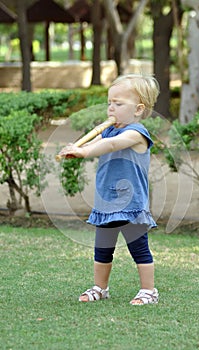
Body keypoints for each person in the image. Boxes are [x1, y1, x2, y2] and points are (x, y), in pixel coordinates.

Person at [58, 74, 160, 305]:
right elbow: (100, 144)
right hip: (107, 203)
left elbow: (112, 145)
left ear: (138, 109)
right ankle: (100, 287)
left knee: (139, 250)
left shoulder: (136, 133)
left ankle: (149, 291)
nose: (111, 108)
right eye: (110, 103)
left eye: (119, 103)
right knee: (102, 250)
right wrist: (79, 149)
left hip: (131, 204)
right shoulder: (108, 131)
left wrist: (85, 151)